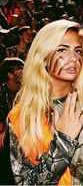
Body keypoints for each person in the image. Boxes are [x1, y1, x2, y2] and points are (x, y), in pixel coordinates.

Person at [7, 19, 83, 185]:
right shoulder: (21, 116)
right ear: (44, 56)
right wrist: (63, 141)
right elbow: (26, 182)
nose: (73, 58)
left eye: (78, 51)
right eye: (62, 50)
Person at [0, 57, 24, 185]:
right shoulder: (1, 93)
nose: (23, 72)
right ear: (10, 74)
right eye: (20, 70)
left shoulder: (24, 91)